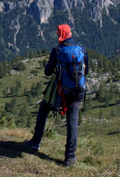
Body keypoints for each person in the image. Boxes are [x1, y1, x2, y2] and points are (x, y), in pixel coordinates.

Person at [28, 24, 89, 167]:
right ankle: (70, 157)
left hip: (62, 91)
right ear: (70, 34)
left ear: (59, 35)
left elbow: (48, 72)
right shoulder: (82, 49)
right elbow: (87, 70)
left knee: (43, 108)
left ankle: (35, 142)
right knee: (72, 122)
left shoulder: (58, 51)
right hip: (78, 90)